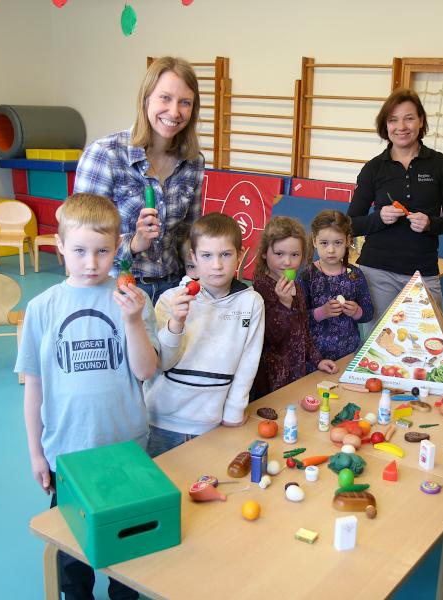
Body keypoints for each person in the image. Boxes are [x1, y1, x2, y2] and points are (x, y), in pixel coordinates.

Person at [16, 193, 159, 600]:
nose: (91, 262)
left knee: (126, 543)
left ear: (118, 248)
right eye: (79, 250)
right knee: (72, 553)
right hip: (69, 451)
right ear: (59, 245)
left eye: (102, 251)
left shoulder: (131, 300)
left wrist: (132, 320)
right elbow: (35, 387)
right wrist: (35, 452)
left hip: (127, 446)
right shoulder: (42, 308)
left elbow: (146, 371)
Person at [74, 56, 205, 303]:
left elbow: (187, 235)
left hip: (172, 290)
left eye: (185, 102)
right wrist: (134, 243)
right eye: (165, 98)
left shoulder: (193, 161)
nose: (174, 112)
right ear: (146, 99)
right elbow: (82, 242)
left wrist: (206, 264)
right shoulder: (105, 155)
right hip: (117, 289)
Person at [144, 213, 264, 458]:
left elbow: (248, 362)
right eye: (207, 256)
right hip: (160, 421)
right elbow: (161, 363)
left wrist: (233, 412)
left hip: (211, 424)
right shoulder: (170, 300)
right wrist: (175, 324)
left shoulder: (251, 303)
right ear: (193, 258)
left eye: (226, 255)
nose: (217, 265)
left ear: (240, 256)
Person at [347, 88, 443, 328]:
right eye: (393, 120)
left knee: (429, 346)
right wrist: (379, 218)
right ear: (385, 126)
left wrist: (431, 223)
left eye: (409, 118)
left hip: (423, 271)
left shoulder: (440, 164)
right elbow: (351, 224)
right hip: (377, 271)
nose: (401, 126)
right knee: (376, 348)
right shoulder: (374, 168)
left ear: (421, 121)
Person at [252, 216, 337, 396]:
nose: (288, 262)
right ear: (264, 252)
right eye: (279, 254)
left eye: (295, 255)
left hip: (297, 371)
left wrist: (317, 359)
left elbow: (302, 328)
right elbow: (271, 337)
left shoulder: (296, 286)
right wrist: (283, 304)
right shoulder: (258, 290)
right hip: (271, 377)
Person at [299, 210, 374, 361]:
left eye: (337, 243)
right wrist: (322, 312)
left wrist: (356, 311)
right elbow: (298, 318)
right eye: (324, 243)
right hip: (315, 358)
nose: (331, 250)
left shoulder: (355, 275)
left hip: (348, 354)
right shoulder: (307, 276)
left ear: (347, 240)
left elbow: (368, 314)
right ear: (314, 241)